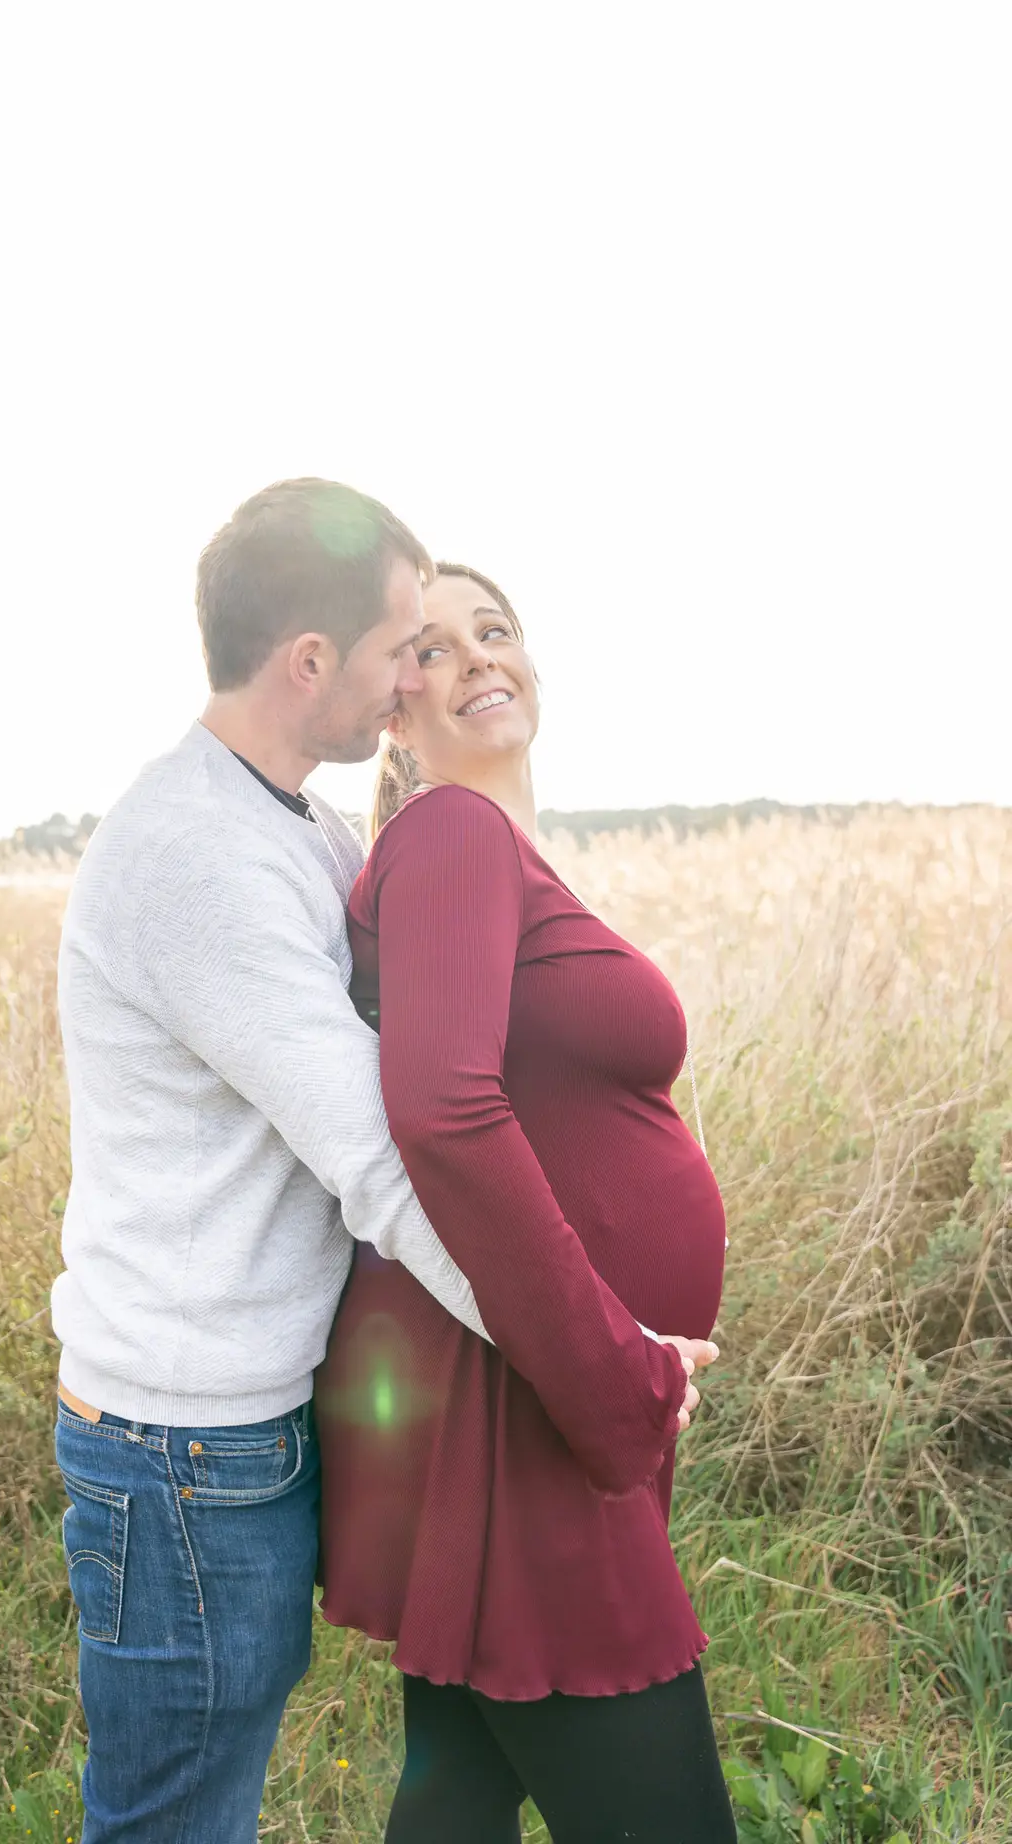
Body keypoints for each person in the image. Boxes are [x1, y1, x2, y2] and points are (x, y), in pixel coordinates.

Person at [50, 481, 501, 1842]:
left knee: (206, 1797)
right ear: (308, 662)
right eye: (399, 649)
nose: (414, 673)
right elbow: (380, 1154)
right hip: (182, 1449)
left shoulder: (299, 823)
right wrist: (574, 1346)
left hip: (237, 1428)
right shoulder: (200, 858)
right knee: (175, 1819)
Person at [314, 563, 734, 1844]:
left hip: (522, 1406)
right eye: (433, 648)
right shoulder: (450, 834)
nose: (478, 657)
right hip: (532, 1419)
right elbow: (440, 1111)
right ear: (394, 707)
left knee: (455, 1801)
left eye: (493, 630)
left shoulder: (492, 848)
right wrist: (613, 1377)